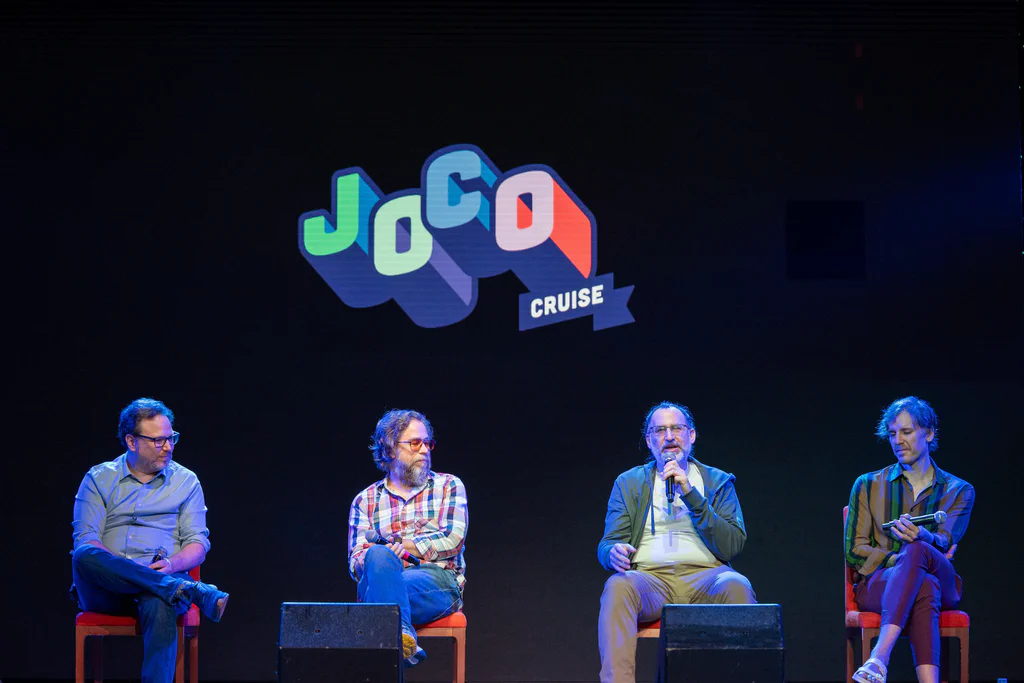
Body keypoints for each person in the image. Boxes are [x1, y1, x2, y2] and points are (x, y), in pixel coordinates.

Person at [71, 398, 229, 683]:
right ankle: (186, 589)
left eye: (171, 438)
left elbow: (197, 544)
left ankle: (173, 588)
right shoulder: (98, 479)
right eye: (158, 441)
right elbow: (87, 539)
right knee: (82, 555)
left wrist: (171, 564)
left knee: (160, 599)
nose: (167, 447)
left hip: (159, 587)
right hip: (107, 590)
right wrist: (128, 570)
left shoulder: (186, 481)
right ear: (131, 441)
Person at [596, 401, 756, 683]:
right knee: (618, 586)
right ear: (649, 441)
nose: (669, 437)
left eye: (676, 428)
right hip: (650, 581)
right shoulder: (628, 482)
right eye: (659, 430)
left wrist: (690, 493)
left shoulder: (718, 481)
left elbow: (732, 545)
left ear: (691, 435)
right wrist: (612, 553)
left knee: (737, 585)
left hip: (708, 578)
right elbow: (609, 542)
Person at [845, 396, 974, 683]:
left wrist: (923, 539)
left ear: (928, 433)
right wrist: (899, 560)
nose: (897, 440)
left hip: (944, 582)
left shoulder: (959, 490)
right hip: (880, 583)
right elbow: (854, 551)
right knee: (922, 580)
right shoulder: (868, 485)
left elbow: (944, 539)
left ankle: (879, 657)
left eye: (906, 432)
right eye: (892, 434)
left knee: (919, 550)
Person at [348, 409, 468, 665]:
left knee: (376, 603)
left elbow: (452, 540)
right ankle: (401, 635)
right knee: (377, 556)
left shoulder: (448, 486)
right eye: (415, 443)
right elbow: (356, 562)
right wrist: (381, 559)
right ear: (390, 449)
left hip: (437, 583)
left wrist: (400, 548)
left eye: (428, 443)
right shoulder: (365, 500)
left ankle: (392, 635)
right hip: (382, 581)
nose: (424, 450)